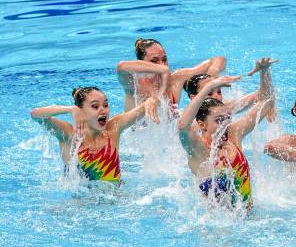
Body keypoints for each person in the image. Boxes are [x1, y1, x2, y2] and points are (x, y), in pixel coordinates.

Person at [177, 58, 276, 210]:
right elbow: (183, 126)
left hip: (249, 220)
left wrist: (264, 71)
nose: (224, 124)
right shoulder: (198, 148)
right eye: (218, 120)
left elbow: (267, 102)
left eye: (226, 119)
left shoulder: (234, 133)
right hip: (218, 229)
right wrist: (209, 85)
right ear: (203, 125)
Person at [31, 87, 159, 183]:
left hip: (117, 199)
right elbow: (35, 114)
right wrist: (70, 109)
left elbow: (149, 104)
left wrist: (151, 101)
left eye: (105, 105)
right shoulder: (69, 134)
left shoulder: (113, 128)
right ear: (80, 111)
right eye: (95, 106)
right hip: (81, 205)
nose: (103, 110)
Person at [116, 38, 226, 112]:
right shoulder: (134, 85)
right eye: (154, 61)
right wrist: (162, 69)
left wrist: (213, 73)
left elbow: (218, 59)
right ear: (141, 63)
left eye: (164, 60)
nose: (162, 65)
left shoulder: (176, 79)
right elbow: (121, 67)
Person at [183, 73, 275, 121]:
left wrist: (264, 71)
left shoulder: (226, 109)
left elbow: (262, 94)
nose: (216, 96)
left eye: (219, 92)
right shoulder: (192, 122)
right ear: (193, 98)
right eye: (209, 93)